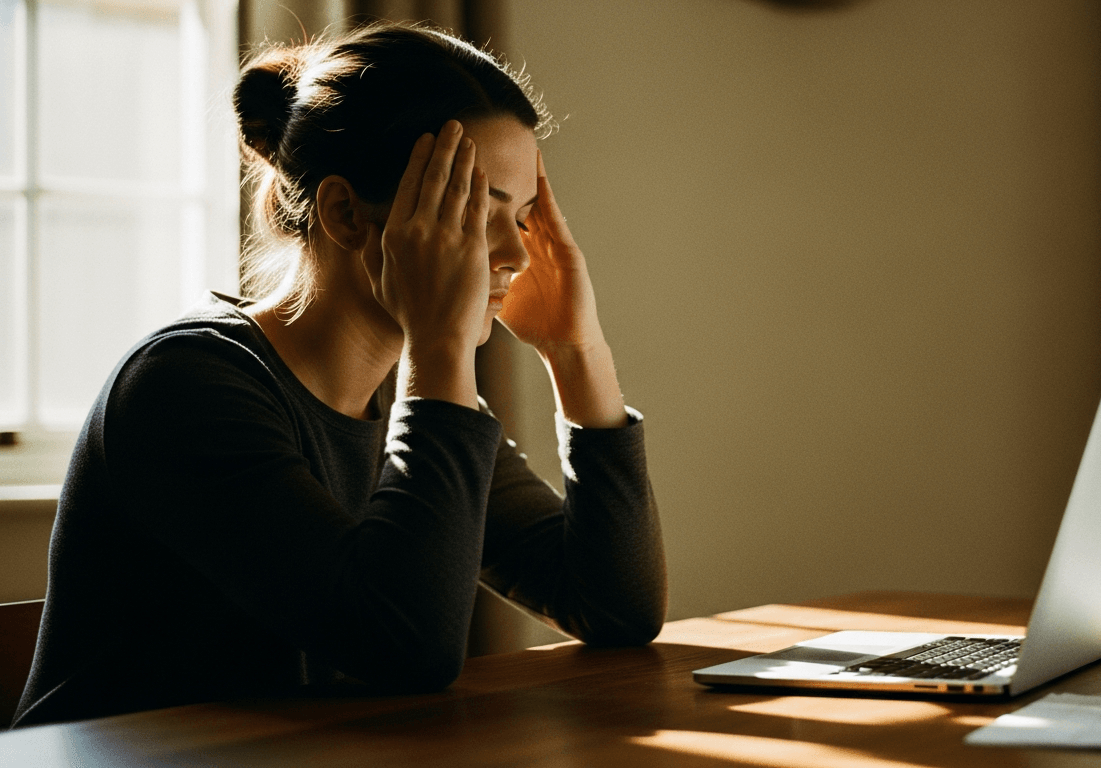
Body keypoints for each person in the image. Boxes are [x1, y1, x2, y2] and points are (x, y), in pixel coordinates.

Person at [10, 23, 665, 729]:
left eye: (527, 217)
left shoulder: (399, 403)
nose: (515, 253)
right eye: (475, 210)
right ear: (346, 213)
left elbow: (613, 605)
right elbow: (403, 647)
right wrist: (439, 347)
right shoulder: (184, 386)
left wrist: (576, 350)